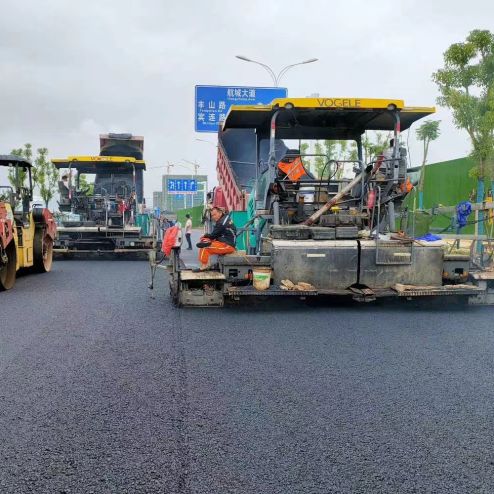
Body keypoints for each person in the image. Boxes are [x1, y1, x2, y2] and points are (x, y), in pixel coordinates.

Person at [194, 207, 236, 271]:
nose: (213, 217)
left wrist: (205, 235)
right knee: (205, 242)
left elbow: (213, 236)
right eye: (212, 215)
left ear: (220, 213)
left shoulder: (221, 223)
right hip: (224, 241)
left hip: (227, 246)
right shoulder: (225, 218)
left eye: (214, 214)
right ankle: (207, 264)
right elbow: (216, 235)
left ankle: (204, 266)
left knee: (205, 247)